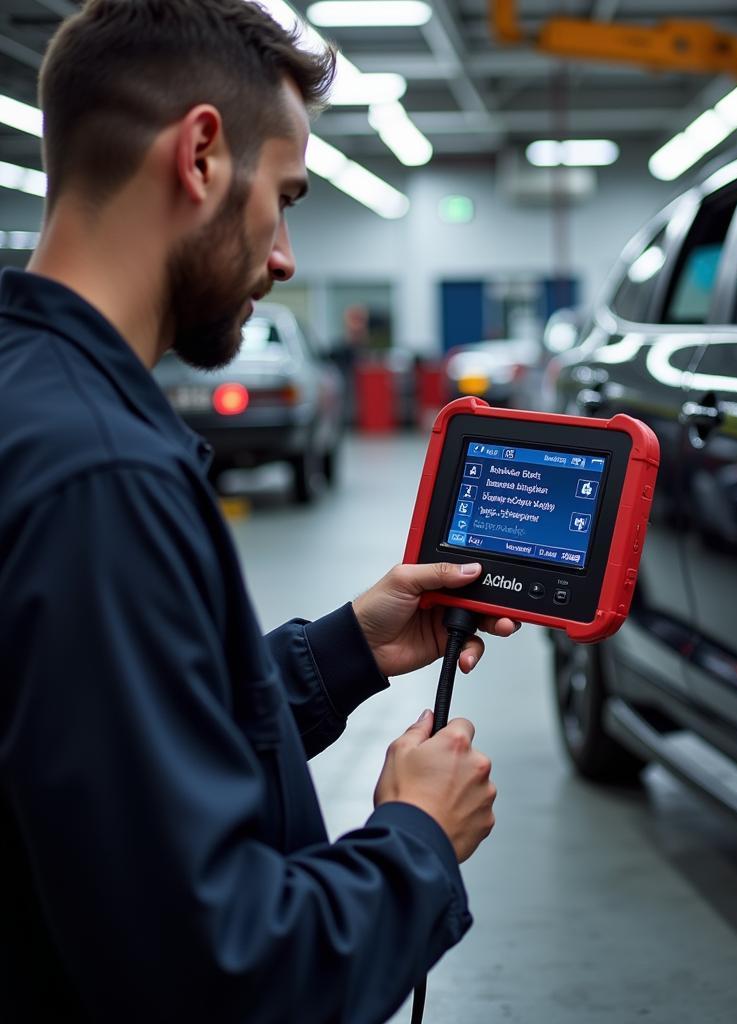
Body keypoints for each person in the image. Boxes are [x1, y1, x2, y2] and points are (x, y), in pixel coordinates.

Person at [0, 1, 517, 1021]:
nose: (284, 256)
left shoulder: (32, 399)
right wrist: (415, 837)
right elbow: (216, 974)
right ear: (199, 156)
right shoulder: (103, 480)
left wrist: (340, 654)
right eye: (283, 199)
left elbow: (97, 754)